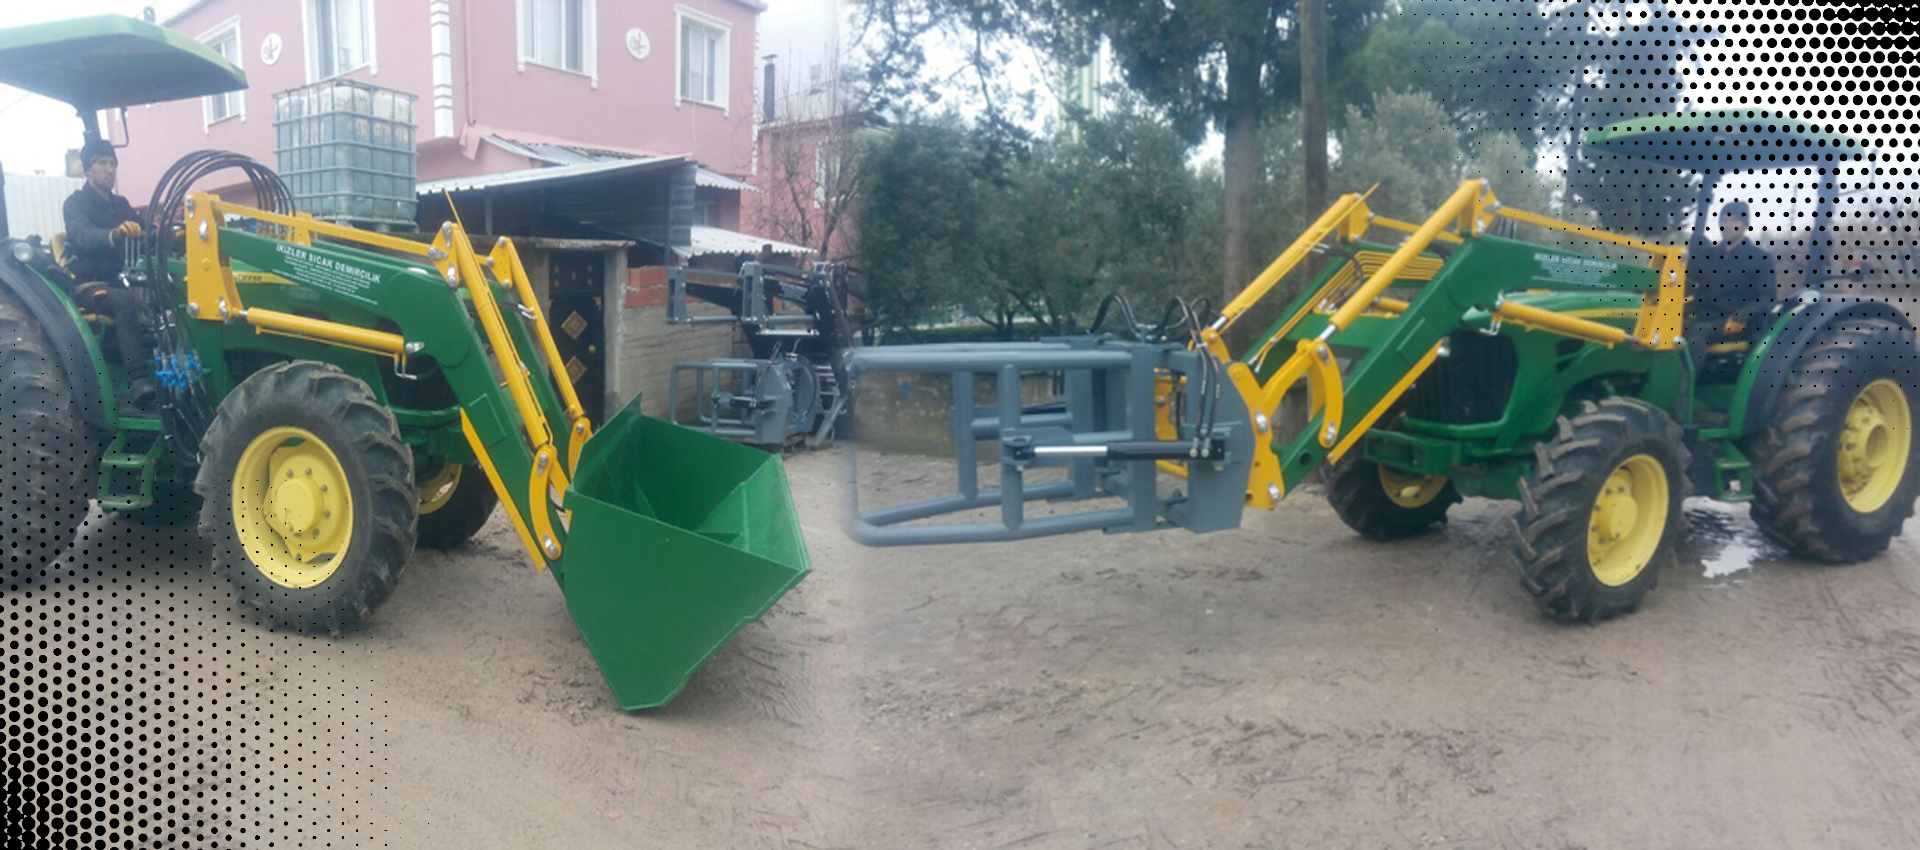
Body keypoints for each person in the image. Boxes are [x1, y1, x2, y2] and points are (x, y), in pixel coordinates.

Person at [61, 137, 153, 406]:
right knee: (124, 301)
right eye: (102, 163)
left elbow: (146, 229)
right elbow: (83, 234)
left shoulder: (120, 204)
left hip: (120, 281)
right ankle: (138, 380)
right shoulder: (75, 204)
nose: (110, 169)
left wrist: (168, 234)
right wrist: (113, 234)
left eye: (113, 163)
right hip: (88, 285)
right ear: (87, 169)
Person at [1687, 201, 1776, 341]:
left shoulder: (1760, 258)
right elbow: (1691, 280)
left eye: (1734, 220)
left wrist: (1744, 314)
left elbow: (1767, 297)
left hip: (1735, 322)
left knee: (1698, 333)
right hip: (1703, 316)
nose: (1728, 225)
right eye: (1724, 220)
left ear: (1745, 225)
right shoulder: (1709, 255)